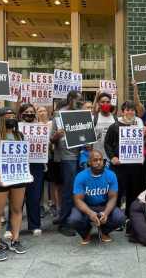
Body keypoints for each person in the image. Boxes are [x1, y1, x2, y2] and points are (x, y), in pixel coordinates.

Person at [0, 107, 27, 261]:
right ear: (0, 118)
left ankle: (15, 240)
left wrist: (25, 172)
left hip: (18, 178)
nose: (11, 117)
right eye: (7, 115)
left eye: (13, 115)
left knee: (17, 210)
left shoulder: (19, 135)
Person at [68, 150, 125, 245]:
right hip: (87, 206)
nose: (98, 162)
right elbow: (78, 200)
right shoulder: (81, 176)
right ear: (89, 162)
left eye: (100, 160)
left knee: (120, 217)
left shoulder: (111, 175)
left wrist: (106, 213)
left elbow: (113, 198)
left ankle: (104, 231)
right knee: (73, 219)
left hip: (104, 206)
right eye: (95, 160)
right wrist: (90, 213)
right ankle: (86, 232)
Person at [104, 101, 146, 224]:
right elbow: (107, 144)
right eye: (127, 110)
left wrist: (144, 134)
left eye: (132, 110)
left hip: (135, 166)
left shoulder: (138, 126)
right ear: (123, 112)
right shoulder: (114, 126)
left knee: (133, 192)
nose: (130, 112)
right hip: (119, 166)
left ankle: (129, 217)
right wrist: (112, 157)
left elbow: (143, 144)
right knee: (118, 191)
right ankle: (115, 219)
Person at [50, 91, 82, 235]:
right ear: (70, 100)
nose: (81, 103)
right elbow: (52, 139)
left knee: (78, 190)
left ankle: (75, 219)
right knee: (69, 190)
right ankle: (63, 223)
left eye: (82, 101)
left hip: (81, 156)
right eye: (78, 101)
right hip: (67, 156)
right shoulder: (58, 116)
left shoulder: (82, 115)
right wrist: (57, 135)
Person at [18, 103, 45, 235]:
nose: (29, 114)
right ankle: (12, 227)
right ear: (21, 114)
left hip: (36, 165)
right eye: (26, 112)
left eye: (31, 112)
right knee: (17, 197)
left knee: (34, 196)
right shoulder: (15, 128)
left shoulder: (41, 128)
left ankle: (34, 225)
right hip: (19, 165)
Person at [92, 92, 117, 160]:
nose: (105, 104)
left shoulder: (115, 119)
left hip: (112, 158)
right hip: (97, 158)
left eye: (108, 102)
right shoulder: (94, 118)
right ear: (98, 104)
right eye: (102, 102)